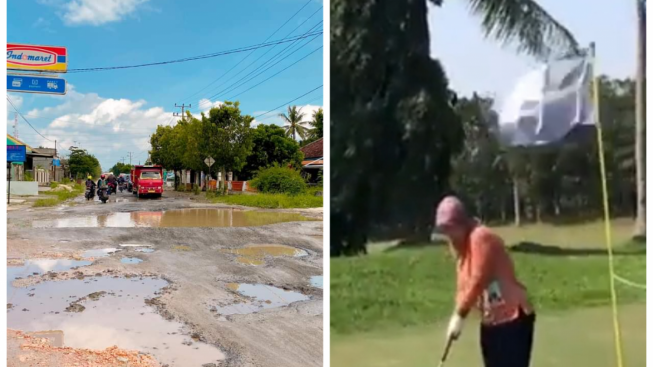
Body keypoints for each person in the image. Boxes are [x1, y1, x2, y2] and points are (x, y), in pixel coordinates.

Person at [435, 195, 535, 367]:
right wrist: (455, 317)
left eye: (451, 229)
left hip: (513, 319)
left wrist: (460, 315)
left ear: (462, 223)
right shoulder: (461, 249)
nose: (449, 236)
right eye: (445, 231)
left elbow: (478, 278)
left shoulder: (480, 237)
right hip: (492, 322)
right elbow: (463, 287)